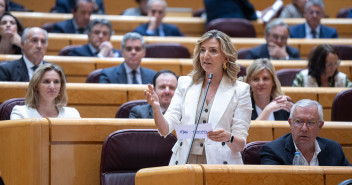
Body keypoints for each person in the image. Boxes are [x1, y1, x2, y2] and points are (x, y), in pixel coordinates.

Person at [144, 30, 252, 165]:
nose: (206, 56)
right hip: (185, 161)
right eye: (202, 50)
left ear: (225, 57)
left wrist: (228, 137)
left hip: (220, 163)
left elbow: (240, 145)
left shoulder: (240, 90)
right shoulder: (185, 83)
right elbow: (164, 129)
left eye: (213, 51)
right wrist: (156, 108)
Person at [260, 99, 351, 166]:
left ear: (320, 126)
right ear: (290, 123)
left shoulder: (334, 149)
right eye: (298, 122)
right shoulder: (273, 151)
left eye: (310, 123)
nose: (304, 129)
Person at [10, 64, 81, 119]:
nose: (52, 86)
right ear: (36, 86)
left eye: (56, 82)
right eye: (46, 82)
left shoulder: (72, 114)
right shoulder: (20, 113)